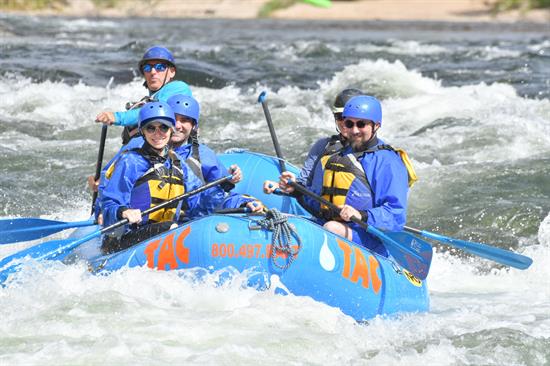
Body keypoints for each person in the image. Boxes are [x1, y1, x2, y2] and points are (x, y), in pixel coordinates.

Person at [265, 95, 412, 256]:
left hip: (369, 239)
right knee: (287, 225)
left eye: (361, 124)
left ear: (376, 125)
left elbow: (396, 214)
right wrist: (296, 190)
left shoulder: (388, 162)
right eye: (349, 123)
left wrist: (361, 215)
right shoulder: (339, 155)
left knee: (331, 228)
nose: (354, 130)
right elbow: (322, 204)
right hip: (331, 225)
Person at [100, 101, 225, 253]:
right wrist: (123, 211)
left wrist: (225, 184)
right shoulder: (131, 162)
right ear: (143, 131)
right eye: (151, 128)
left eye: (163, 127)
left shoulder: (178, 164)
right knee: (172, 228)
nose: (157, 134)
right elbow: (109, 203)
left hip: (163, 235)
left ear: (171, 130)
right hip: (128, 239)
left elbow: (199, 205)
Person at [263, 88, 363, 211]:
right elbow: (304, 183)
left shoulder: (375, 155)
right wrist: (286, 186)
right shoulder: (323, 146)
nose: (344, 122)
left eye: (348, 117)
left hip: (351, 223)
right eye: (339, 116)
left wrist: (361, 215)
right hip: (320, 218)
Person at [167, 94, 264, 212]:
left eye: (184, 120)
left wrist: (243, 203)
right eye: (173, 119)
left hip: (188, 219)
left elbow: (218, 197)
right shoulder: (142, 151)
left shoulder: (203, 156)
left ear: (193, 126)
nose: (177, 126)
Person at [95, 45, 192, 144]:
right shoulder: (146, 100)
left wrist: (117, 117)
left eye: (160, 67)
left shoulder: (179, 87)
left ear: (172, 72)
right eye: (147, 68)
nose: (153, 72)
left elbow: (155, 111)